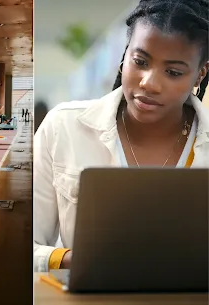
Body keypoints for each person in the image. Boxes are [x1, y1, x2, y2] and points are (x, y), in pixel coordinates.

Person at [33, 0, 209, 272]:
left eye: (173, 72)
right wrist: (76, 260)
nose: (148, 83)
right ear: (124, 55)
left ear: (200, 74)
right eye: (140, 61)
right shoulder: (63, 127)